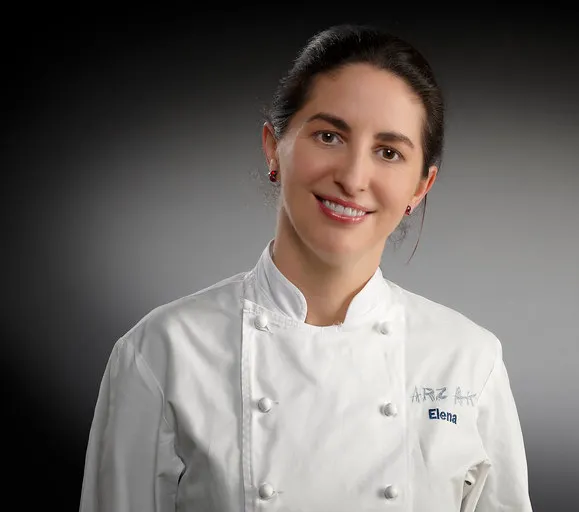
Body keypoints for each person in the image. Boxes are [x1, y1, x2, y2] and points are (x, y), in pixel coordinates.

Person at [78, 24, 533, 512]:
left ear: (420, 188)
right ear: (274, 147)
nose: (353, 178)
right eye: (329, 136)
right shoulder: (161, 353)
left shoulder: (468, 360)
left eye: (389, 152)